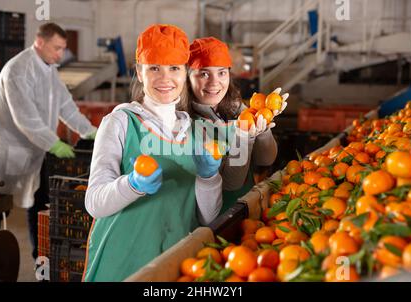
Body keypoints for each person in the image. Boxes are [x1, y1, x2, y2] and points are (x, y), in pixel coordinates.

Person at [82, 24, 223, 282]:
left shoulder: (195, 132)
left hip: (174, 260)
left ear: (185, 73)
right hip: (123, 258)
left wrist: (209, 178)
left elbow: (208, 217)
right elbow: (94, 203)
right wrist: (133, 185)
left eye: (174, 68)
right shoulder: (121, 122)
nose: (165, 78)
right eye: (154, 68)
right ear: (139, 72)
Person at [0, 23, 97, 260]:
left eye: (63, 49)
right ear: (40, 42)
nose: (60, 55)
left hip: (36, 150)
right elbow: (26, 118)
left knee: (40, 204)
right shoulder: (18, 70)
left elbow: (67, 108)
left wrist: (89, 131)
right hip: (9, 150)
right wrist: (54, 144)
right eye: (56, 48)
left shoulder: (49, 70)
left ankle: (40, 259)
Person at [187, 37, 289, 213]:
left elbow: (265, 159)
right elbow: (230, 183)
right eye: (204, 73)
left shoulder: (236, 108)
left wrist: (263, 127)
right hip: (214, 221)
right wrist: (245, 137)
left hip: (246, 208)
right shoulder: (186, 123)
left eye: (221, 73)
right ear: (188, 77)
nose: (214, 82)